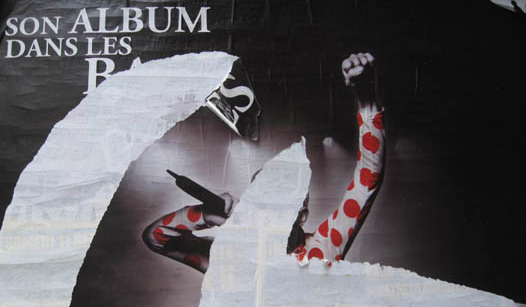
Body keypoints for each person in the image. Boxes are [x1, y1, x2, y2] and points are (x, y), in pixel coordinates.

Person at [142, 52, 385, 272]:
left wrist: (367, 101)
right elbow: (156, 237)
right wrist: (205, 215)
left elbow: (367, 179)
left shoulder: (322, 249)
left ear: (301, 216)